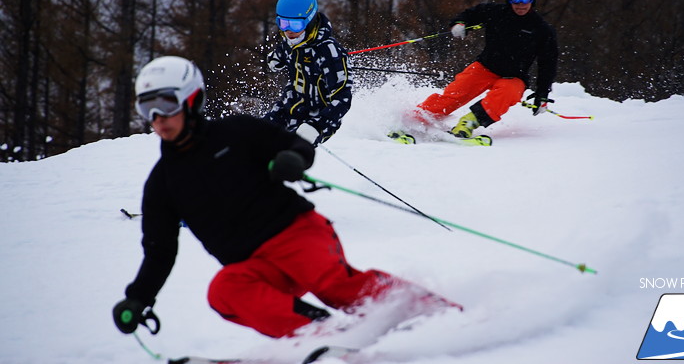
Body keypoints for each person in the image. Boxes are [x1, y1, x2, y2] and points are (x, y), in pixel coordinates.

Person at [112, 56, 453, 340]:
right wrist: (138, 298)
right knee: (224, 292)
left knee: (333, 286)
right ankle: (324, 337)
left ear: (191, 99)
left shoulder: (236, 133)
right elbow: (160, 253)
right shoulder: (162, 184)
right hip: (254, 266)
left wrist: (294, 159)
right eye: (148, 109)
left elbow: (297, 144)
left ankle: (432, 312)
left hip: (296, 235)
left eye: (166, 105)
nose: (158, 119)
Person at [408, 0, 558, 139]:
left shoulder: (542, 29)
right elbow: (471, 14)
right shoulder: (495, 13)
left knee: (507, 93)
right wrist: (460, 24)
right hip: (484, 68)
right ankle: (412, 121)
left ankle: (469, 123)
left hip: (514, 77)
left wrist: (542, 94)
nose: (521, 4)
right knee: (453, 96)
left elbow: (548, 63)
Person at [264, 0, 352, 146]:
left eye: (295, 25)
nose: (288, 30)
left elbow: (343, 97)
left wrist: (317, 126)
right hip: (290, 107)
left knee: (289, 152)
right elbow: (285, 49)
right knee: (258, 135)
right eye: (283, 23)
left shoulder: (329, 52)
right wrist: (277, 58)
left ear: (310, 20)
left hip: (319, 118)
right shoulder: (292, 41)